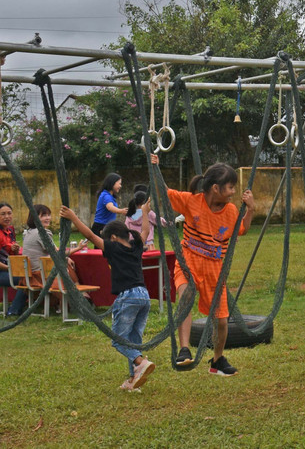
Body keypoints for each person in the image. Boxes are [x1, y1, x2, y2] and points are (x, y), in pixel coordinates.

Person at [151, 154, 254, 376]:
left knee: (222, 321)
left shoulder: (230, 211)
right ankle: (184, 349)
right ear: (216, 188)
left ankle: (217, 360)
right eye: (230, 187)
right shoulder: (192, 201)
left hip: (214, 270)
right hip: (188, 262)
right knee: (186, 297)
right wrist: (155, 168)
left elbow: (242, 229)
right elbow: (165, 192)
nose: (233, 192)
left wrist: (251, 209)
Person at [60, 203, 155, 391]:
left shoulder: (113, 248)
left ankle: (140, 362)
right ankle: (134, 379)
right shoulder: (136, 245)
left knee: (118, 339)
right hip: (144, 296)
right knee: (133, 340)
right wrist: (144, 212)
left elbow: (90, 235)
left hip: (128, 296)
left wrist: (73, 217)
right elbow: (145, 230)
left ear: (112, 238)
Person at [22, 204, 86, 310]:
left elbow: (54, 252)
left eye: (48, 215)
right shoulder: (42, 233)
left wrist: (65, 258)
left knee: (65, 262)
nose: (47, 218)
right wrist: (78, 248)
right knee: (66, 266)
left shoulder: (28, 233)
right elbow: (58, 254)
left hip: (28, 276)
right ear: (34, 217)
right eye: (43, 215)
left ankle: (77, 296)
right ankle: (81, 296)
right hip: (40, 276)